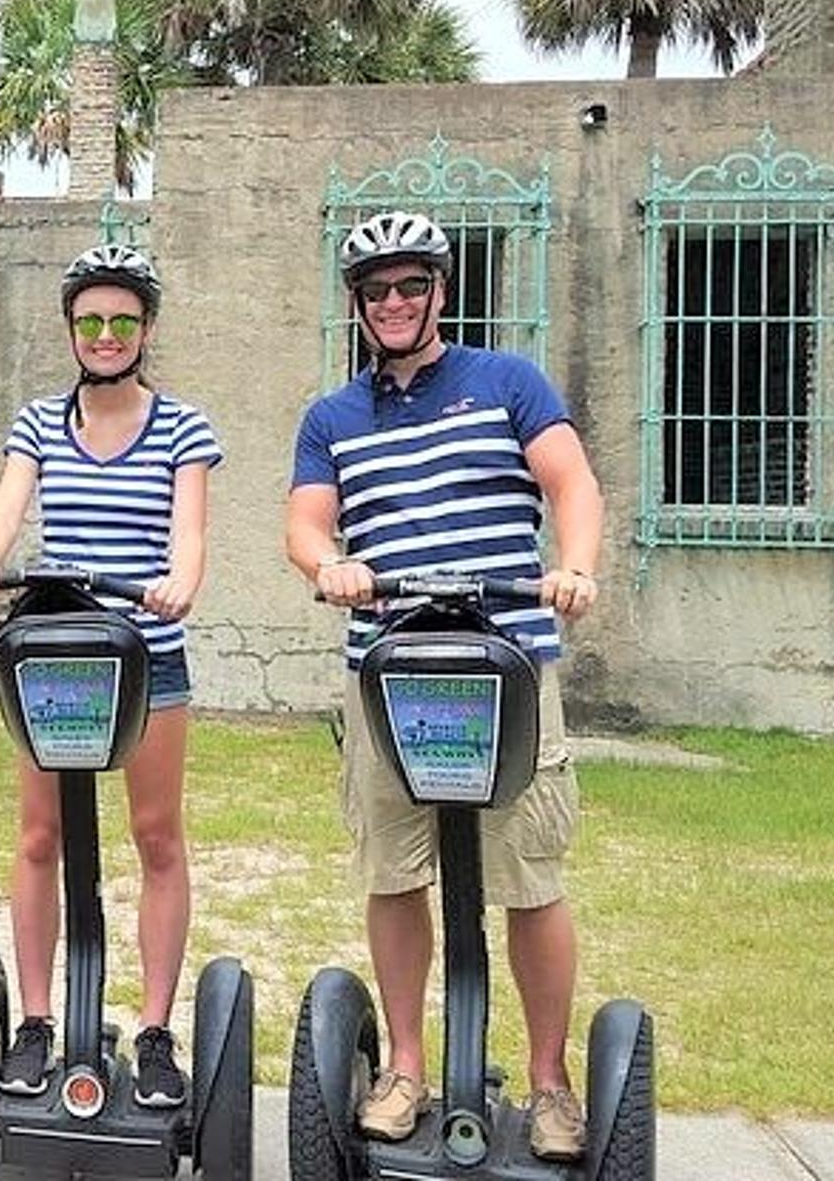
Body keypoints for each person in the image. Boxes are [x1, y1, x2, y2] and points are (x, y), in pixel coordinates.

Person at [283, 210, 603, 1161]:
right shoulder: (333, 417)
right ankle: (406, 1064)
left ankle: (549, 1084)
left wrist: (575, 564)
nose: (393, 302)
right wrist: (329, 564)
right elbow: (305, 524)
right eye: (376, 289)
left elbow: (571, 485)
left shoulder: (507, 382)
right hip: (390, 673)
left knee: (528, 875)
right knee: (391, 870)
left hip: (507, 665)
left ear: (440, 292)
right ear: (359, 304)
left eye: (409, 285)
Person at [0, 243, 222, 1110]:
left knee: (156, 837)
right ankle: (36, 1024)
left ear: (145, 328)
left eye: (122, 321)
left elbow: (188, 529)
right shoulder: (38, 421)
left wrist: (182, 580)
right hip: (61, 655)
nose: (105, 336)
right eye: (90, 322)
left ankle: (151, 1030)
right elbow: (8, 508)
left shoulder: (181, 425)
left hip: (146, 657)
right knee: (39, 837)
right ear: (71, 329)